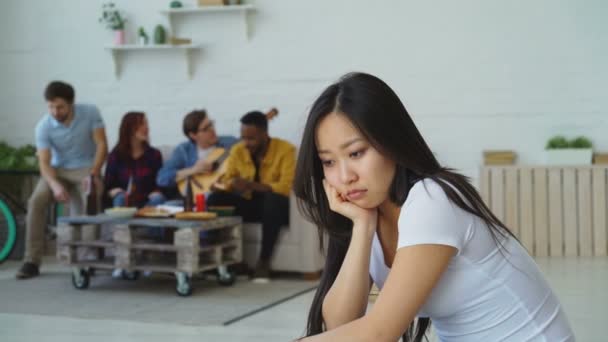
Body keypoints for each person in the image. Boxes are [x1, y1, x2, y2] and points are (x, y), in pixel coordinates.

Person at [293, 73, 574, 341]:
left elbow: (378, 334)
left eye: (356, 153)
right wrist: (362, 228)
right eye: (328, 162)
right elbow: (341, 325)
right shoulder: (371, 213)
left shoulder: (431, 200)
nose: (344, 177)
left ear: (391, 141)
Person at [16, 81, 107, 279]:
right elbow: (44, 163)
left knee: (93, 196)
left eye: (60, 107)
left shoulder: (90, 113)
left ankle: (88, 257)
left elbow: (101, 145)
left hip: (86, 168)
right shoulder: (43, 126)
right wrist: (55, 185)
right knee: (36, 201)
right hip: (57, 170)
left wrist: (94, 173)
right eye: (51, 106)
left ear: (71, 103)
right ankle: (31, 260)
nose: (55, 111)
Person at [208, 111, 296, 283]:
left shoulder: (285, 150)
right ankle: (233, 261)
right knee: (215, 199)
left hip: (276, 209)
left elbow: (286, 187)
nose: (246, 143)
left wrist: (250, 185)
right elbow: (227, 177)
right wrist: (231, 183)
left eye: (251, 138)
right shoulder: (238, 150)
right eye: (243, 138)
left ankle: (263, 263)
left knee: (273, 200)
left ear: (265, 134)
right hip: (251, 204)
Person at [156, 109, 237, 199]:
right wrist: (193, 170)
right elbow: (162, 178)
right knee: (159, 201)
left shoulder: (230, 142)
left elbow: (249, 143)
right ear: (193, 135)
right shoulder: (184, 150)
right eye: (206, 128)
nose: (212, 129)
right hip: (191, 197)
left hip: (220, 195)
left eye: (211, 124)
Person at [104, 112, 164, 209]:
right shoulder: (116, 156)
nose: (147, 128)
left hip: (147, 201)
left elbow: (160, 182)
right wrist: (114, 191)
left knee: (158, 199)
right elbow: (108, 186)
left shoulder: (154, 154)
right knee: (120, 198)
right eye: (142, 124)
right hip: (125, 200)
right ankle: (122, 224)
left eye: (147, 124)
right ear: (129, 129)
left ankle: (142, 221)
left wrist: (157, 191)